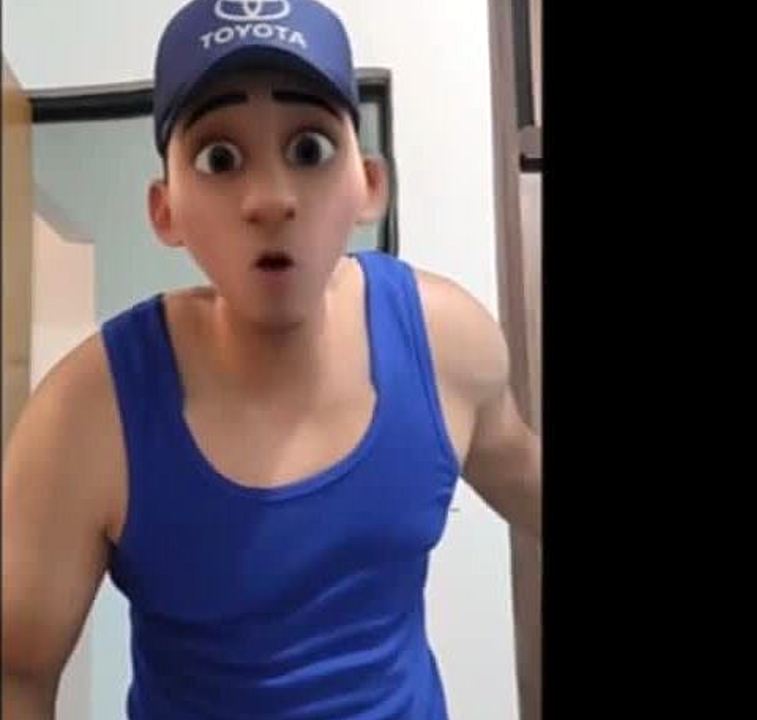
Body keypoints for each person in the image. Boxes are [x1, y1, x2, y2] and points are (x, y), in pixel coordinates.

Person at [0, 0, 541, 717]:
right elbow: (17, 675)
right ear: (165, 210)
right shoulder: (86, 414)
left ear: (368, 185)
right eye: (219, 159)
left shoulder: (447, 344)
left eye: (309, 149)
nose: (270, 199)